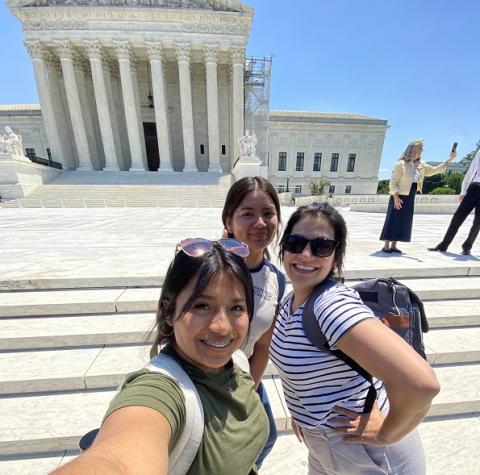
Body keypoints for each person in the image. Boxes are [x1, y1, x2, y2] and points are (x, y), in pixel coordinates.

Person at [53, 239, 268, 475]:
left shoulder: (236, 362)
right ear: (168, 311)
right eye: (202, 306)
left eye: (236, 308)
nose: (221, 327)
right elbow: (117, 459)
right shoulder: (161, 390)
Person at [270, 202, 440, 474]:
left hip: (361, 450)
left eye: (321, 247)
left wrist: (387, 434)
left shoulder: (331, 306)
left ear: (335, 256)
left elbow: (421, 384)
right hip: (327, 441)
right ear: (283, 247)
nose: (305, 254)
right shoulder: (293, 299)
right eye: (295, 242)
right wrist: (301, 411)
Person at [221, 176, 285, 468]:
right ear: (229, 219)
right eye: (247, 213)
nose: (260, 223)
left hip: (244, 375)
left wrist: (248, 391)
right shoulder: (205, 264)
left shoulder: (276, 280)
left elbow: (263, 344)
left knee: (267, 435)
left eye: (268, 213)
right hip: (202, 375)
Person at [380, 139, 456, 253]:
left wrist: (450, 159)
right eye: (419, 148)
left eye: (421, 149)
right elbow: (393, 183)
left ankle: (394, 245)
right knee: (393, 219)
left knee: (404, 220)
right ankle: (386, 245)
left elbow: (435, 170)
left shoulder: (422, 165)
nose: (421, 151)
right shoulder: (400, 164)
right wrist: (395, 197)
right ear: (411, 150)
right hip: (399, 195)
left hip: (411, 195)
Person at [428, 148, 480, 255]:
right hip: (474, 187)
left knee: (478, 222)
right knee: (457, 217)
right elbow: (471, 170)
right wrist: (463, 191)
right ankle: (444, 244)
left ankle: (467, 246)